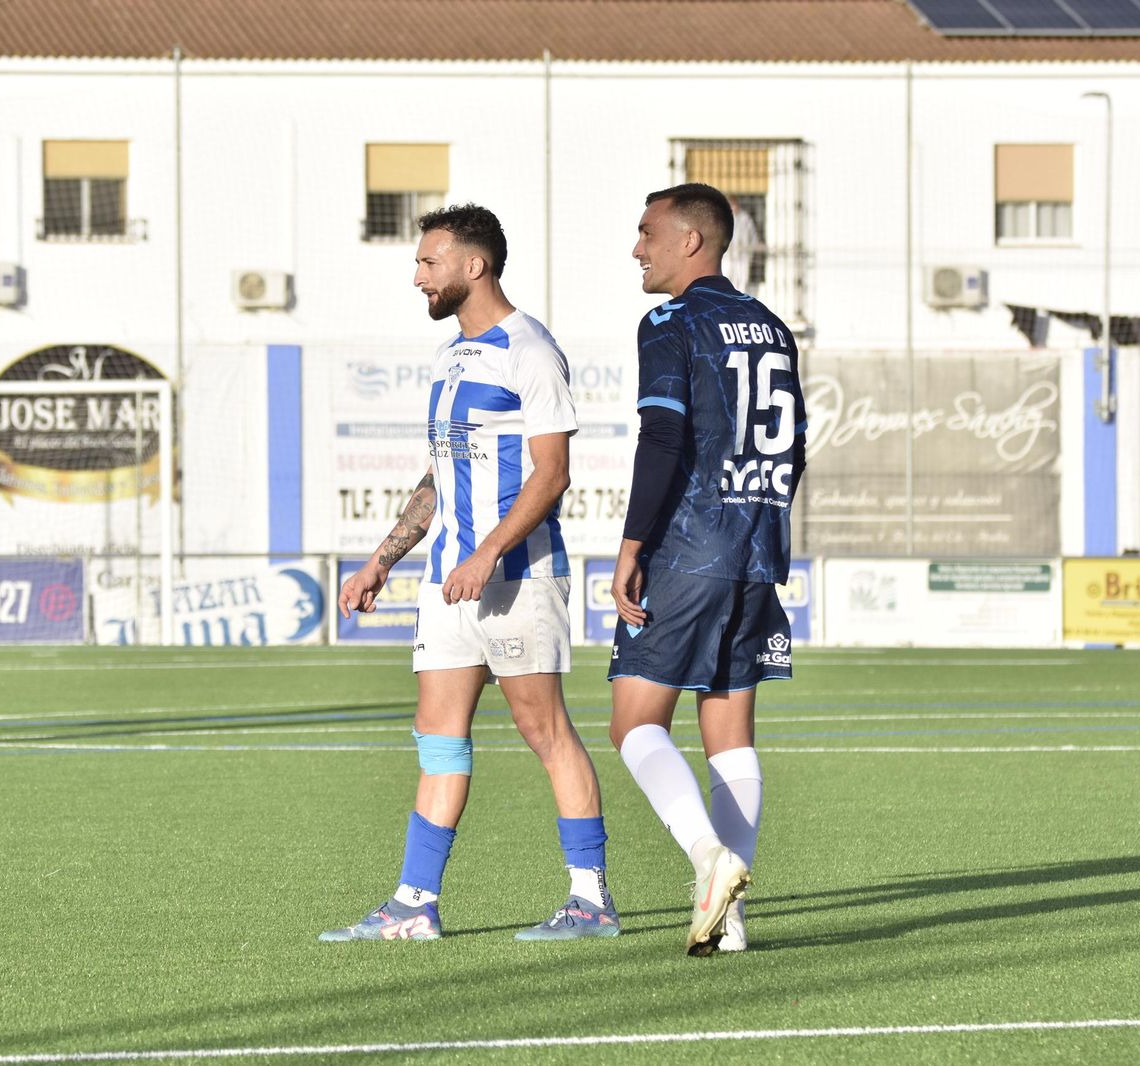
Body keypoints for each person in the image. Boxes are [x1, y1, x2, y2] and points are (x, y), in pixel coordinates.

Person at [322, 203, 618, 942]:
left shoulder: (531, 351)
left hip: (517, 576)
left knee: (543, 729)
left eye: (429, 262)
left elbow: (552, 474)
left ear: (473, 265)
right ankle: (415, 903)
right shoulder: (451, 355)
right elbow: (440, 474)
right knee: (437, 735)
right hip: (445, 583)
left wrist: (488, 552)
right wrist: (382, 559)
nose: (418, 275)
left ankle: (590, 899)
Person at [608, 182, 806, 956]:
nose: (638, 248)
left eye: (647, 231)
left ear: (692, 240)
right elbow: (793, 447)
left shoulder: (670, 319)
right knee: (729, 730)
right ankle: (732, 923)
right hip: (758, 544)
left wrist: (632, 546)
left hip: (691, 545)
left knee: (634, 723)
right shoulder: (771, 326)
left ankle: (708, 857)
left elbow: (662, 438)